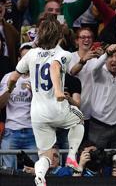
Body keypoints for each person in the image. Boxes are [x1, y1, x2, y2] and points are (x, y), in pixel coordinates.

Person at [6, 15, 84, 185]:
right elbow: (55, 67)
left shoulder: (31, 54)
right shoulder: (64, 54)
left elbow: (13, 78)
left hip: (37, 114)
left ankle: (40, 176)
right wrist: (57, 90)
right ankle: (71, 156)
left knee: (45, 155)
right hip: (56, 107)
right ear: (59, 36)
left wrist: (10, 88)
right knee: (78, 117)